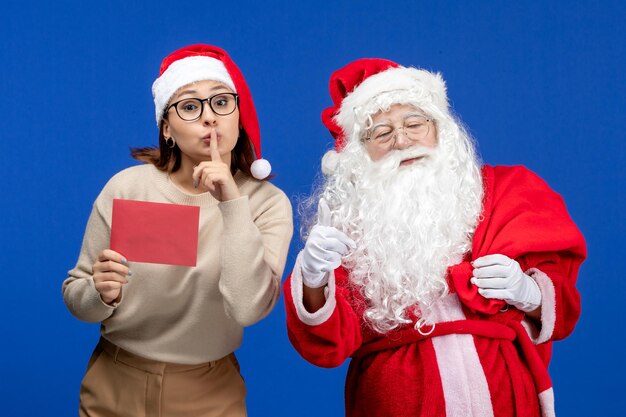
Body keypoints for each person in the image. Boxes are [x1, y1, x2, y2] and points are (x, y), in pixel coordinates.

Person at [284, 58, 585, 417]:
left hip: (503, 391)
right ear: (360, 153)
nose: (402, 140)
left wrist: (528, 291)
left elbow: (564, 310)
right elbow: (327, 347)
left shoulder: (509, 192)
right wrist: (315, 278)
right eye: (381, 132)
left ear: (441, 129)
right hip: (397, 399)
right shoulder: (350, 222)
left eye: (415, 123)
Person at [63, 44, 293, 417]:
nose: (210, 118)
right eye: (190, 106)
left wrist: (232, 203)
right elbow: (77, 297)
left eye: (222, 102)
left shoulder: (268, 203)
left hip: (209, 392)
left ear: (239, 116)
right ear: (167, 129)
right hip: (115, 381)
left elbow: (247, 308)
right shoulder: (127, 188)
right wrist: (98, 293)